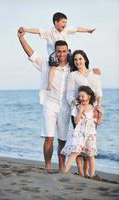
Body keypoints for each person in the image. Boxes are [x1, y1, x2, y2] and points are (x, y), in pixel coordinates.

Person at [18, 27, 71, 172]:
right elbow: (31, 54)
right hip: (50, 105)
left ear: (68, 51)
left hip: (66, 107)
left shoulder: (72, 67)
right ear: (55, 51)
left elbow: (84, 73)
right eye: (59, 51)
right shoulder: (46, 63)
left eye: (64, 51)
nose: (61, 54)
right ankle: (47, 166)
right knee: (49, 138)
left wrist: (95, 73)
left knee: (62, 140)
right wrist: (21, 38)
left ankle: (61, 167)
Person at [22, 12, 96, 90]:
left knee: (74, 63)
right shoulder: (48, 31)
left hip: (66, 52)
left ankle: (83, 79)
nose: (65, 24)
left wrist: (88, 30)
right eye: (63, 22)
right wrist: (25, 29)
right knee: (53, 67)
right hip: (54, 53)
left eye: (66, 22)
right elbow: (37, 30)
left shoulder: (66, 30)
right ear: (56, 22)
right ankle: (50, 85)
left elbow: (77, 29)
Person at [66, 49, 103, 177]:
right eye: (75, 59)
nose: (78, 61)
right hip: (78, 112)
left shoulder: (94, 73)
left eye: (80, 59)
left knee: (89, 143)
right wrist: (79, 107)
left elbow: (98, 92)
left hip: (92, 112)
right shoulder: (73, 75)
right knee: (77, 143)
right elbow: (69, 95)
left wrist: (98, 106)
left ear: (85, 59)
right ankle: (81, 172)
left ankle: (88, 173)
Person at [61, 86, 104, 178]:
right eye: (79, 96)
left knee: (90, 155)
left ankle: (92, 175)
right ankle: (64, 171)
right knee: (74, 152)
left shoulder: (94, 109)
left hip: (90, 134)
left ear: (89, 96)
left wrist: (101, 114)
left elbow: (99, 123)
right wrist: (80, 111)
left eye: (83, 96)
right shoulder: (77, 108)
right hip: (79, 134)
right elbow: (76, 121)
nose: (81, 98)